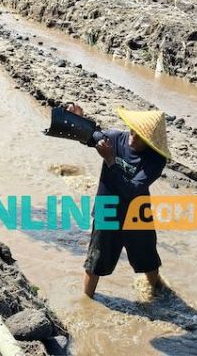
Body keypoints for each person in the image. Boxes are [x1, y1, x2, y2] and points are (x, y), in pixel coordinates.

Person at [65, 103, 170, 298]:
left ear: (152, 142)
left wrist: (111, 161)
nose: (134, 138)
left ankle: (157, 291)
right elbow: (89, 136)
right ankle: (87, 300)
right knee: (95, 262)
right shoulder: (114, 138)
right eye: (133, 131)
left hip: (137, 212)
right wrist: (79, 120)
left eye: (141, 137)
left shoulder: (155, 160)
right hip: (107, 211)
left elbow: (132, 190)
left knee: (148, 259)